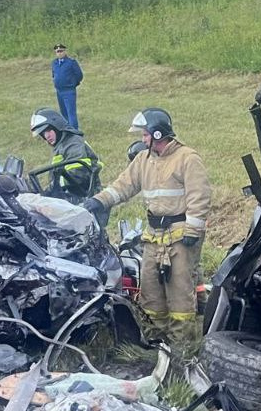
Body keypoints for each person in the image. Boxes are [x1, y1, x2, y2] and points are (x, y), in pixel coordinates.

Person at [84, 107, 211, 349]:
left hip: (180, 236)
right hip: (154, 236)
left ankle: (181, 347)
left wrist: (193, 232)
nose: (142, 139)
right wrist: (100, 200)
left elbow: (200, 196)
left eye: (145, 134)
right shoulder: (144, 159)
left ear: (158, 134)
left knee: (180, 294)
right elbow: (124, 185)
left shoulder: (187, 158)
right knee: (151, 292)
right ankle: (156, 341)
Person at [29, 107, 102, 202]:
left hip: (85, 198)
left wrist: (53, 186)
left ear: (57, 126)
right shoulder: (61, 146)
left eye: (48, 130)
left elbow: (78, 174)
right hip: (72, 195)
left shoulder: (73, 143)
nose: (47, 136)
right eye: (43, 134)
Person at [51, 43, 84, 130]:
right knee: (63, 112)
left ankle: (74, 132)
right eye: (57, 51)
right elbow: (53, 74)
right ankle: (67, 130)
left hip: (69, 91)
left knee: (71, 113)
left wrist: (73, 84)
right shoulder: (54, 63)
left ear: (65, 51)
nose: (59, 53)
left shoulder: (71, 62)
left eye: (61, 51)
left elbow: (79, 75)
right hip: (59, 91)